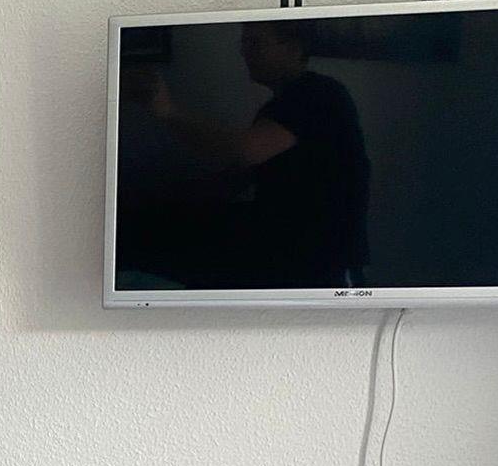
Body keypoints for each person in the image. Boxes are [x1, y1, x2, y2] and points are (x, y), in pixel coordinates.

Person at [142, 21, 372, 287]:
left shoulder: (317, 94)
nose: (244, 52)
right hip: (288, 257)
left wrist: (168, 112)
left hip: (321, 265)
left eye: (254, 43)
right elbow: (237, 178)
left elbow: (244, 151)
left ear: (294, 48)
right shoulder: (283, 105)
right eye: (244, 43)